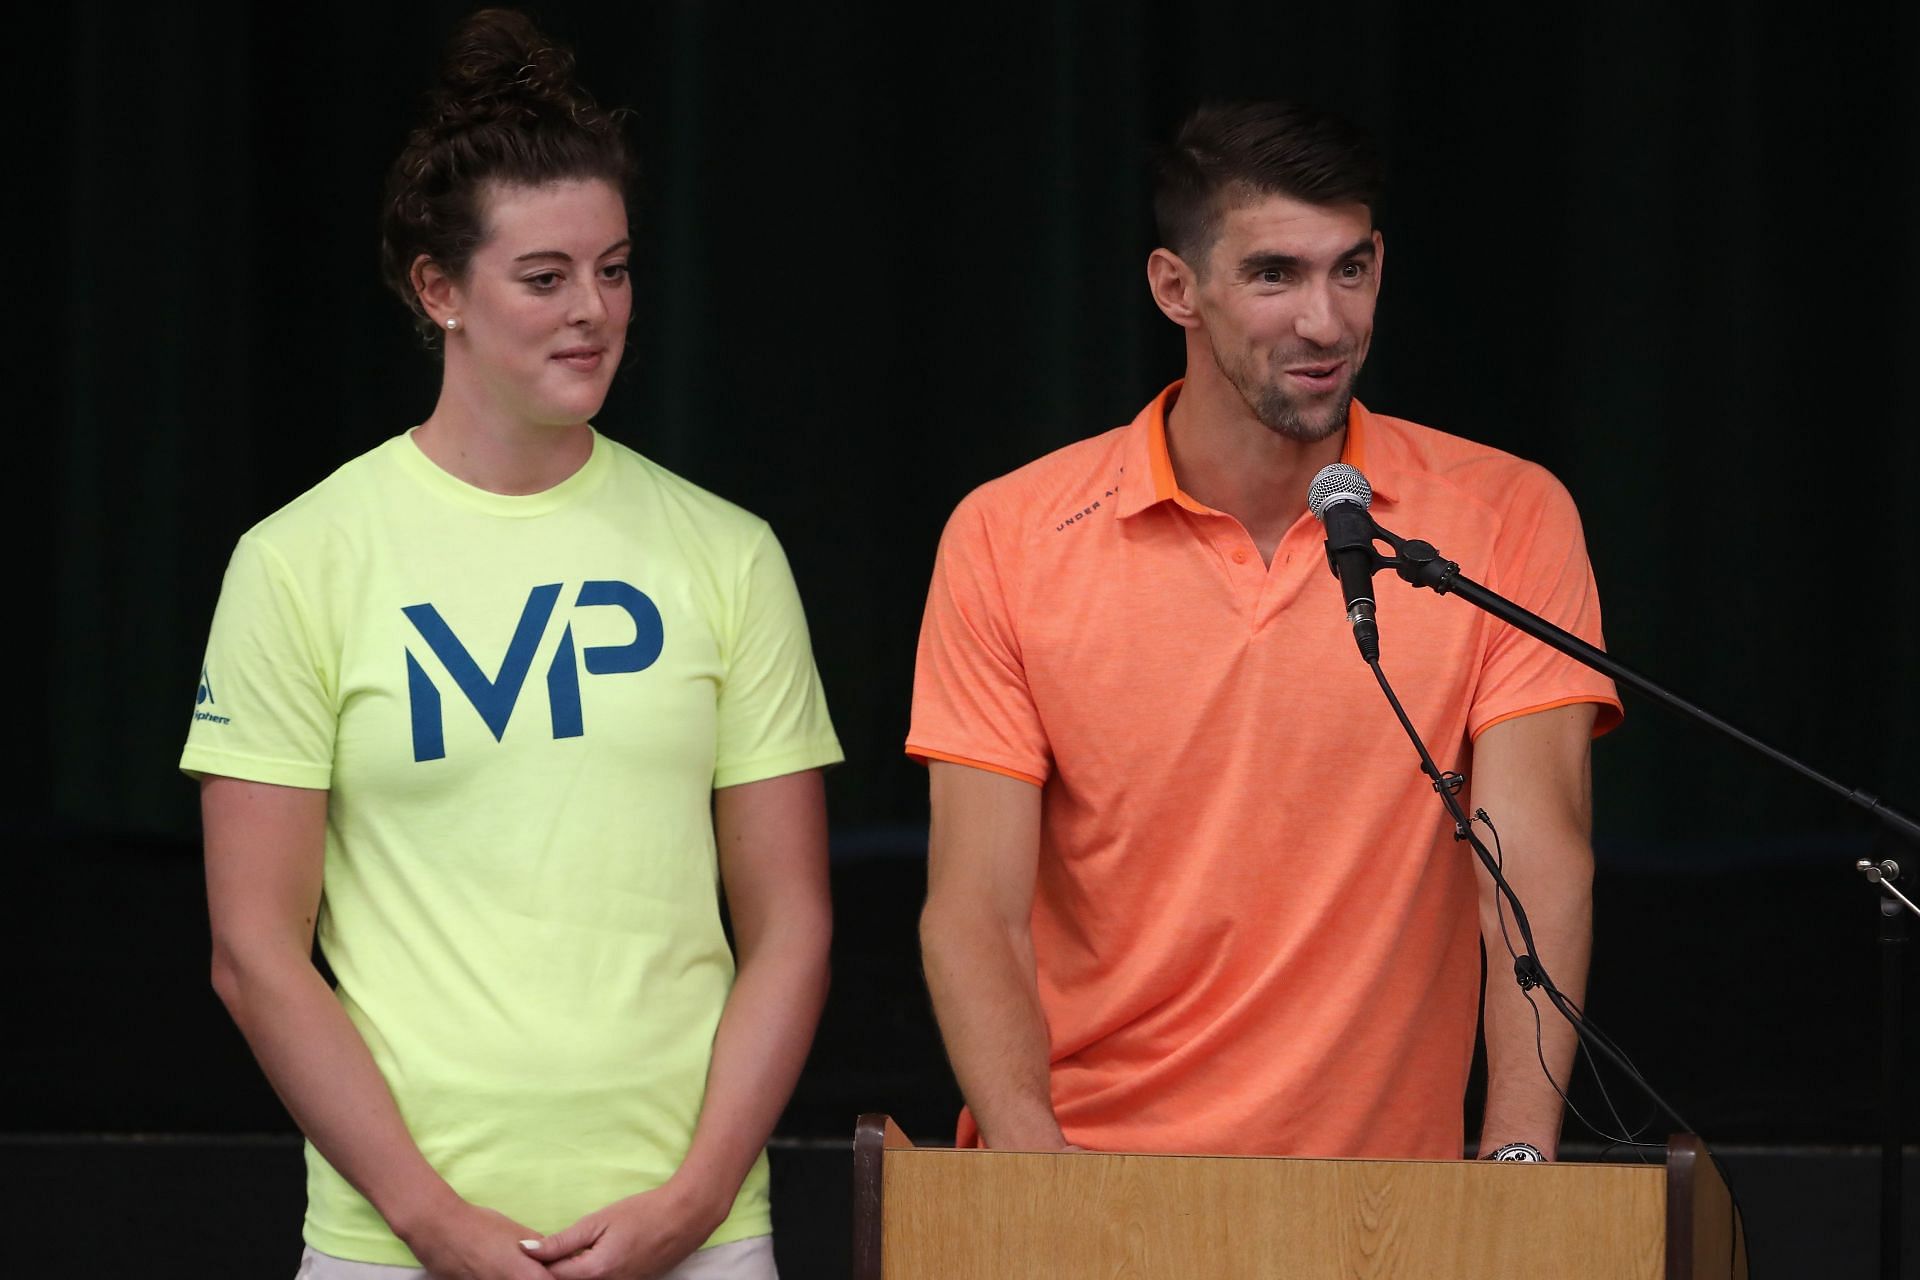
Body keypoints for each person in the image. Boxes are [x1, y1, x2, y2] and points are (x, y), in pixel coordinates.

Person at [182, 11, 839, 1279]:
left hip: (694, 1237)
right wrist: (431, 1221)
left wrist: (695, 1199)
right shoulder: (300, 560)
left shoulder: (728, 552)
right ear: (440, 290)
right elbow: (255, 951)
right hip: (396, 1245)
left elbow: (793, 921)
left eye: (617, 267)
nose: (593, 310)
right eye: (544, 277)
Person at [909, 100, 1622, 1163]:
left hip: (1382, 1209)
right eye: (1275, 274)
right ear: (1174, 287)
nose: (1328, 323)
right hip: (1090, 1186)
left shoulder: (1508, 516)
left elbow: (1534, 860)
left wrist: (1515, 1167)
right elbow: (974, 908)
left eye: (1352, 269)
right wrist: (1033, 1175)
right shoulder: (1008, 534)